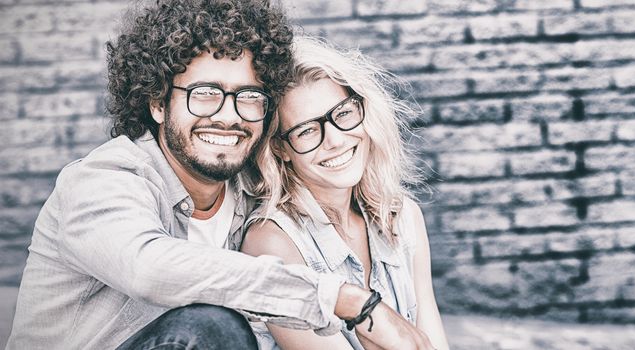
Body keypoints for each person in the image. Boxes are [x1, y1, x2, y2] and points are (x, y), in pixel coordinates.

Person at [5, 1, 433, 349]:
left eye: (248, 97)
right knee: (210, 328)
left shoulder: (248, 196)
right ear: (156, 102)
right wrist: (345, 299)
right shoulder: (103, 180)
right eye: (205, 94)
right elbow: (148, 267)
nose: (228, 116)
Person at [241, 36, 450, 350]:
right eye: (307, 130)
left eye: (342, 114)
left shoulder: (403, 216)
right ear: (281, 148)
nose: (336, 140)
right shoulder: (271, 244)